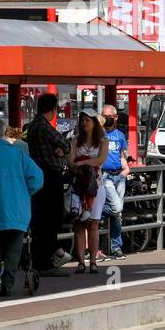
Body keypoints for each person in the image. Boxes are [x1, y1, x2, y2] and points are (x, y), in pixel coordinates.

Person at [0, 117, 42, 297]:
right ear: (4, 132)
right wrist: (25, 192)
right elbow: (37, 178)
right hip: (18, 210)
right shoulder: (18, 154)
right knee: (13, 250)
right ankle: (8, 285)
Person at [25, 93, 72, 275]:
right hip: (50, 175)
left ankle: (44, 259)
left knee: (41, 219)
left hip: (37, 176)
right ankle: (48, 260)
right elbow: (64, 144)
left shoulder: (32, 127)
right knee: (52, 217)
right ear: (53, 110)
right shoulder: (44, 126)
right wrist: (60, 150)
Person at [68, 110, 109, 274]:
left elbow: (100, 160)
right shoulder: (75, 140)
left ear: (94, 123)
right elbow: (69, 162)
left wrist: (81, 162)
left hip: (96, 186)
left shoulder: (102, 141)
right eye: (82, 120)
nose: (84, 123)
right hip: (77, 186)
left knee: (93, 224)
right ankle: (80, 262)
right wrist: (83, 164)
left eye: (88, 120)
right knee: (78, 224)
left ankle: (93, 261)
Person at [98, 103, 130, 262]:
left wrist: (126, 169)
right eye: (104, 116)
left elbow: (122, 155)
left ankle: (116, 247)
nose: (107, 119)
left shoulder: (120, 135)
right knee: (117, 208)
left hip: (119, 175)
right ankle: (100, 212)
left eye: (109, 117)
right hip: (105, 176)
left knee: (117, 214)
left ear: (116, 117)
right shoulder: (98, 134)